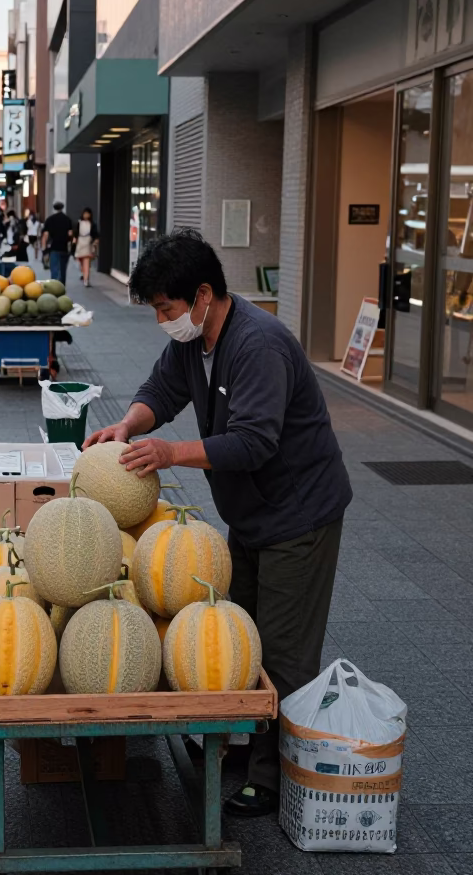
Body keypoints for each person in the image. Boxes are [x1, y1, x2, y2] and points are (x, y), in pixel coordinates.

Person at [84, 229, 352, 818]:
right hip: (253, 514)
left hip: (298, 514)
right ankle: (246, 744)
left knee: (282, 650)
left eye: (166, 308)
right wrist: (128, 426)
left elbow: (255, 441)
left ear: (203, 295)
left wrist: (169, 453)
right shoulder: (194, 339)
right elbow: (163, 388)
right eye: (156, 309)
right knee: (242, 633)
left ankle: (271, 775)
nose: (162, 320)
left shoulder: (258, 345)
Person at [41, 201, 73, 285]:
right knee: (63, 270)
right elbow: (70, 234)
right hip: (64, 248)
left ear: (54, 208)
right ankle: (62, 287)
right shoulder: (67, 219)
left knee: (54, 270)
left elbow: (45, 235)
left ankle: (55, 288)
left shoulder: (50, 219)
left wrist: (44, 250)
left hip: (53, 248)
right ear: (62, 208)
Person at [74, 207, 99, 287]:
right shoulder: (79, 223)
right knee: (81, 261)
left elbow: (96, 235)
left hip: (88, 244)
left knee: (86, 262)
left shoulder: (92, 224)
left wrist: (95, 242)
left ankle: (86, 279)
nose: (86, 215)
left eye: (87, 213)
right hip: (80, 244)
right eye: (85, 213)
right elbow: (76, 233)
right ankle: (84, 274)